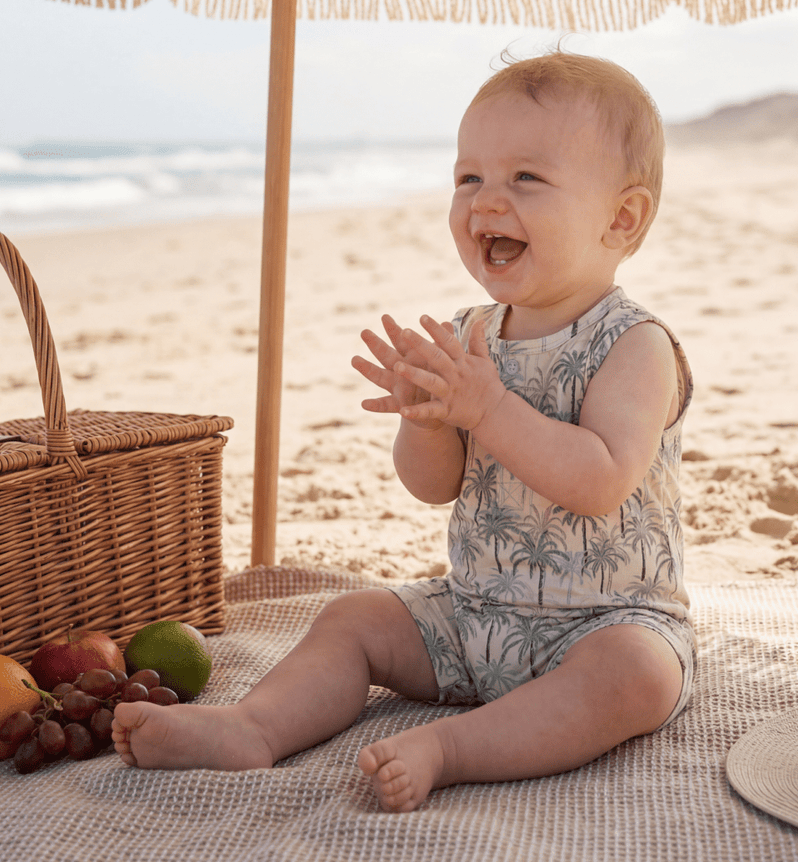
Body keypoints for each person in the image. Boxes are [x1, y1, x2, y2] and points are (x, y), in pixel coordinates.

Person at [112, 50, 695, 815]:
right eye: (468, 177)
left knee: (637, 677)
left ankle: (453, 747)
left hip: (606, 623)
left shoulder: (634, 344)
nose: (487, 200)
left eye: (526, 177)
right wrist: (428, 423)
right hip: (474, 614)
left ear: (622, 218)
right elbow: (434, 486)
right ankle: (255, 726)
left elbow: (600, 479)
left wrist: (487, 410)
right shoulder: (469, 336)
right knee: (353, 618)